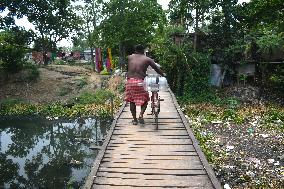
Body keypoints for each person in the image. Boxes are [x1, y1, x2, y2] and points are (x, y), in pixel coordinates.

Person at [125, 44, 165, 125]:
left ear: (135, 50)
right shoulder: (147, 59)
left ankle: (135, 120)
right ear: (143, 50)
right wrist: (163, 75)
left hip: (130, 82)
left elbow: (129, 68)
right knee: (145, 99)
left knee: (131, 101)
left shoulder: (129, 57)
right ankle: (141, 114)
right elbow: (156, 69)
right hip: (140, 82)